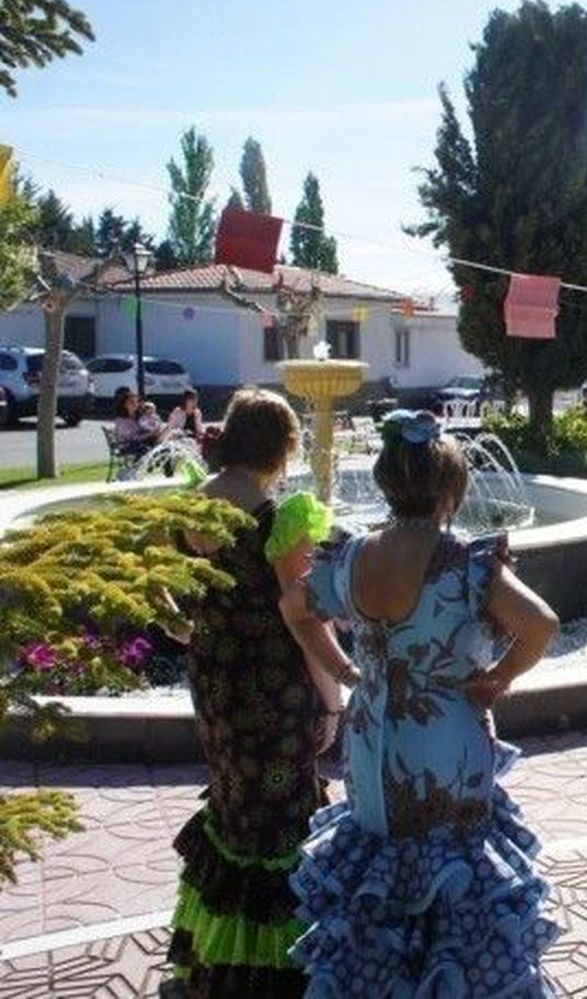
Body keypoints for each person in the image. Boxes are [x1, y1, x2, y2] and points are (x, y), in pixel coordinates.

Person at [284, 410, 561, 993]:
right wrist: (497, 679)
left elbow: (294, 608)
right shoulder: (464, 561)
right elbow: (540, 623)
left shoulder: (353, 553)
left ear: (389, 481)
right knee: (453, 872)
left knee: (380, 862)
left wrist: (342, 667)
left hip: (370, 740)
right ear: (452, 490)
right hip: (445, 742)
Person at [164, 389, 341, 996]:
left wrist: (195, 630)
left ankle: (216, 956)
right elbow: (303, 618)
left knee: (234, 811)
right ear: (280, 446)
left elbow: (167, 601)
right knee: (284, 821)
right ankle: (278, 970)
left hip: (215, 682)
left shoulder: (193, 506)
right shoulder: (278, 519)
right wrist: (335, 698)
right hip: (274, 693)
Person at [111, 387, 161, 457]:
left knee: (163, 447)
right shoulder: (121, 420)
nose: (135, 404)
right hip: (128, 446)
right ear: (125, 405)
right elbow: (133, 438)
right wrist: (150, 434)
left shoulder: (139, 417)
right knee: (150, 449)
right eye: (132, 402)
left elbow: (146, 428)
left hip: (141, 444)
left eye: (136, 402)